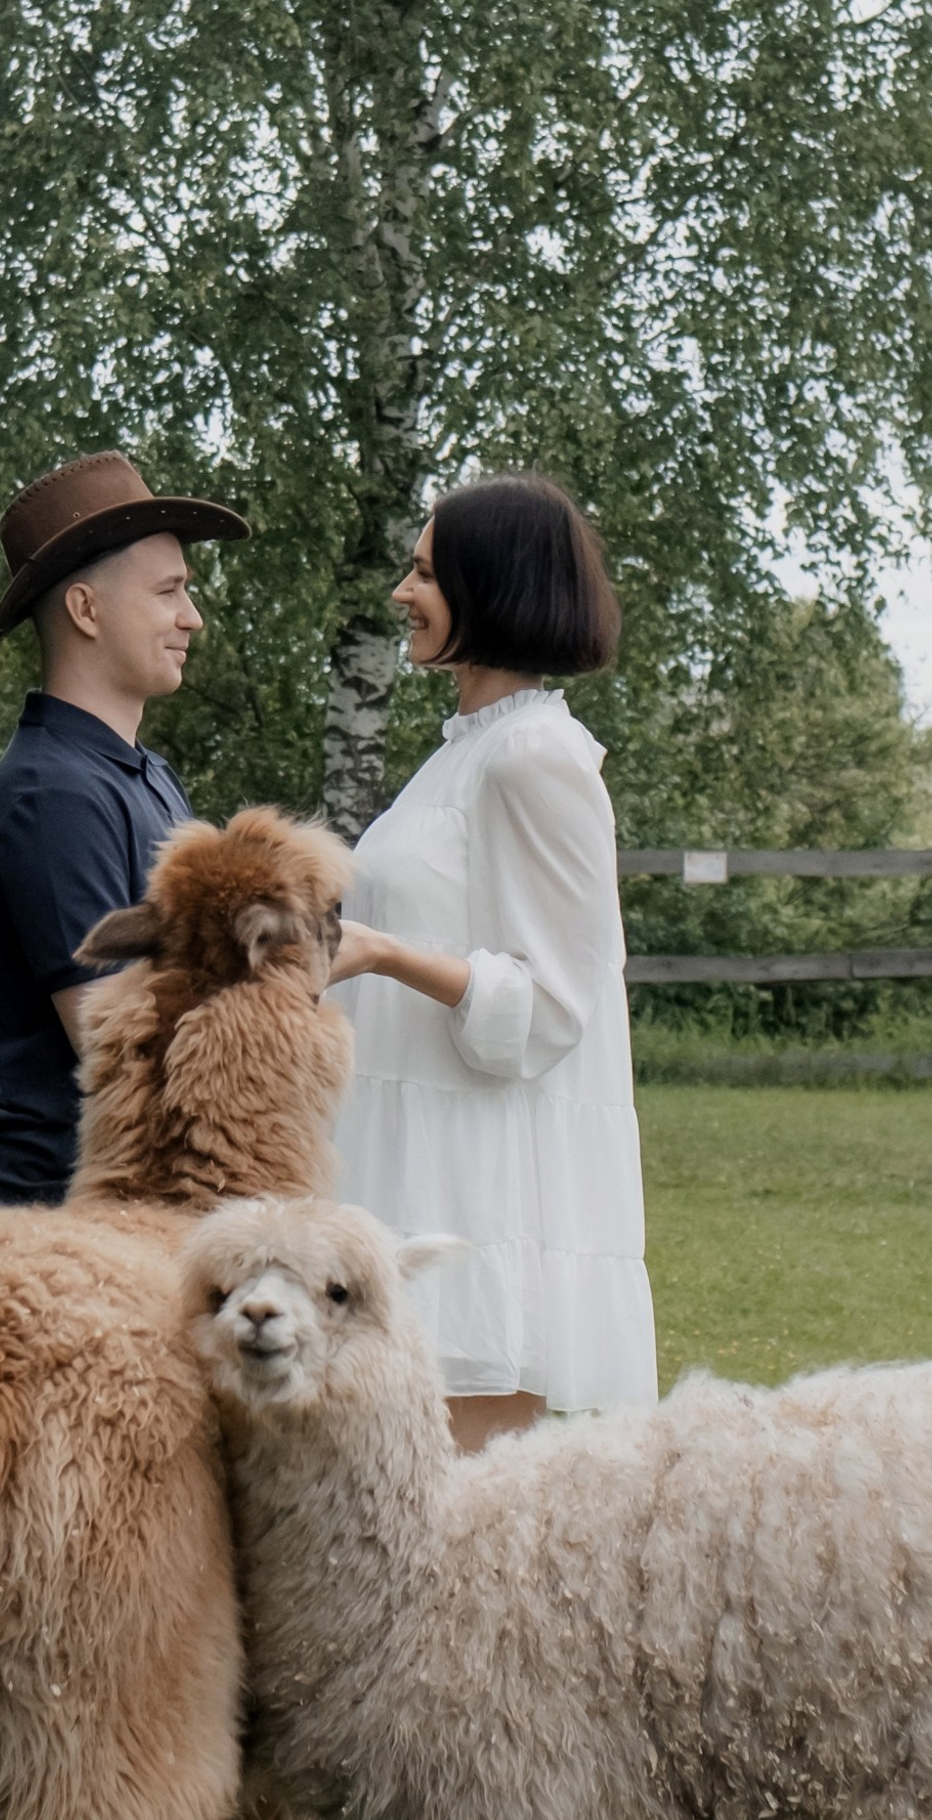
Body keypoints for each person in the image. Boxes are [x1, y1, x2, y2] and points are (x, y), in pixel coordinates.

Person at [327, 475, 656, 1449]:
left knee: (457, 1527)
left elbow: (550, 1008)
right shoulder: (464, 752)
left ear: (490, 586)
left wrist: (382, 952)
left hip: (475, 1200)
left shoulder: (534, 759)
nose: (400, 591)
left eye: (425, 571)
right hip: (401, 1170)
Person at [0, 450, 247, 1207]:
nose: (192, 616)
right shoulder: (51, 794)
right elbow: (118, 1053)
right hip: (58, 1233)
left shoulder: (142, 775)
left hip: (137, 1216)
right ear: (86, 611)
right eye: (169, 592)